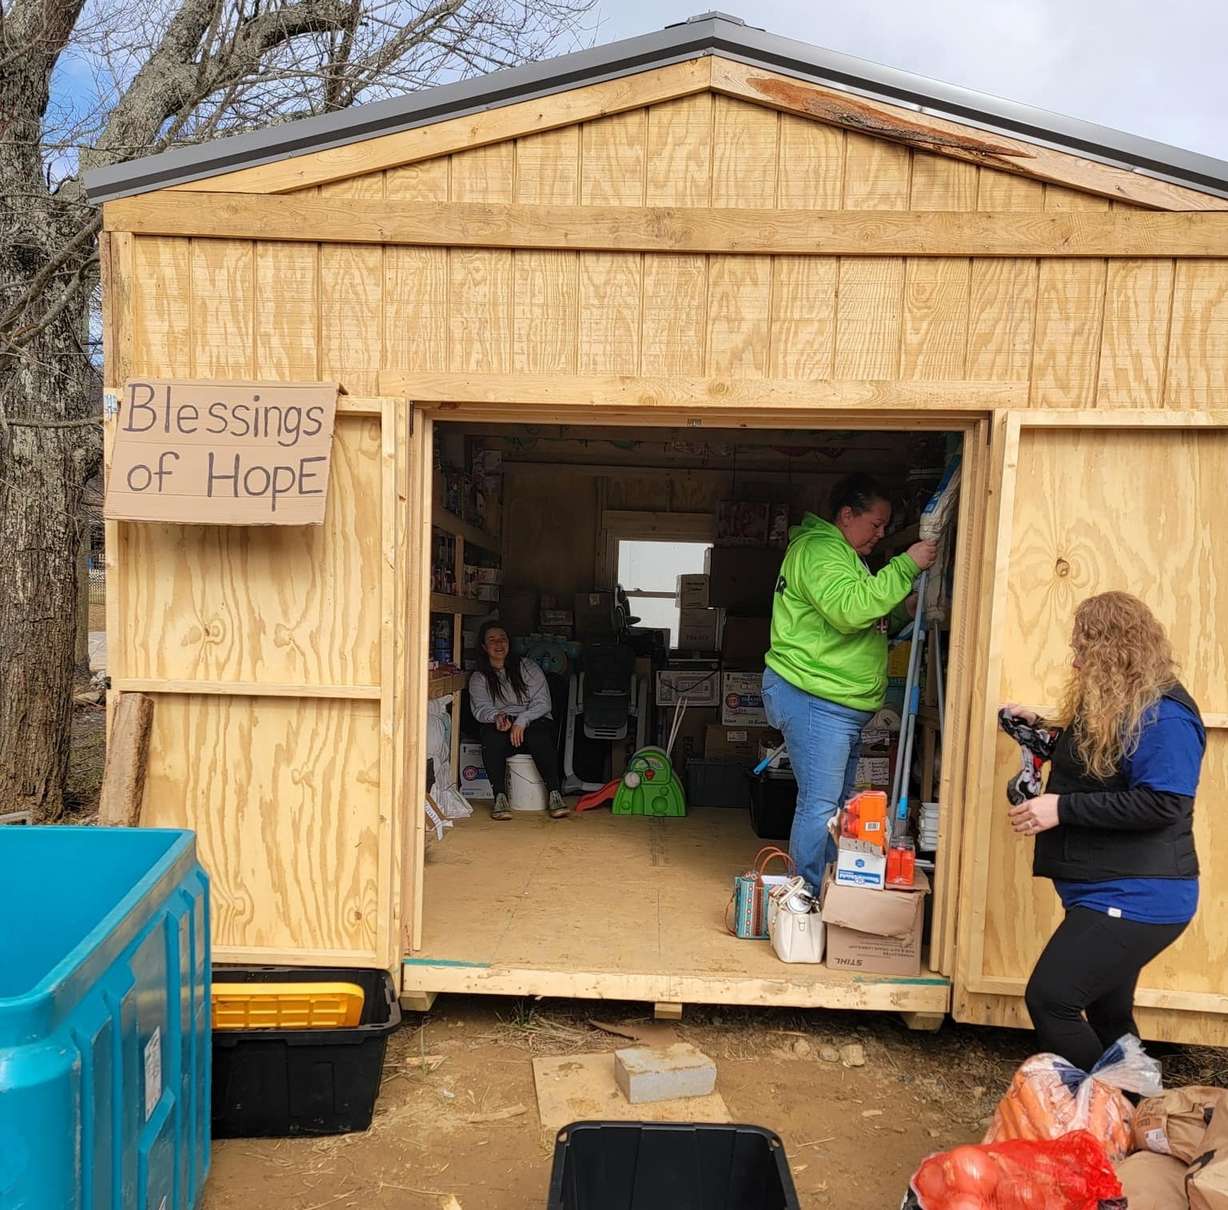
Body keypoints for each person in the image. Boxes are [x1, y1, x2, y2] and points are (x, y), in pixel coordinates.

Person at [1005, 592, 1204, 1072]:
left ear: (1116, 652)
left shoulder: (1165, 714)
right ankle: (1143, 1124)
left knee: (1051, 999)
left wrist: (1062, 808)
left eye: (1085, 651)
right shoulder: (1121, 704)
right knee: (1109, 1015)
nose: (1075, 662)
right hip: (1110, 886)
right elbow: (1104, 767)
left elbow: (1164, 802)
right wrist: (1045, 733)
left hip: (1141, 895)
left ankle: (1105, 1113)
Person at [762, 474, 937, 890]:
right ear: (846, 514)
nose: (880, 534)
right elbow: (849, 610)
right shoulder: (822, 551)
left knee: (837, 807)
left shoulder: (843, 555)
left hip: (833, 701)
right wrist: (906, 564)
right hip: (815, 696)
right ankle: (802, 894)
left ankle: (823, 888)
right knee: (821, 806)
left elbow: (862, 620)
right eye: (875, 524)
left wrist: (903, 611)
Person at [469, 621, 568, 821]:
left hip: (533, 718)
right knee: (491, 737)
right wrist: (497, 717)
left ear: (509, 643)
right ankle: (500, 796)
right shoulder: (479, 677)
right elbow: (481, 708)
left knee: (539, 735)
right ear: (483, 647)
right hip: (502, 721)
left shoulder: (527, 667)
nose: (498, 644)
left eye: (502, 639)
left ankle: (555, 794)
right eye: (492, 640)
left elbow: (543, 703)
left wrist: (523, 719)